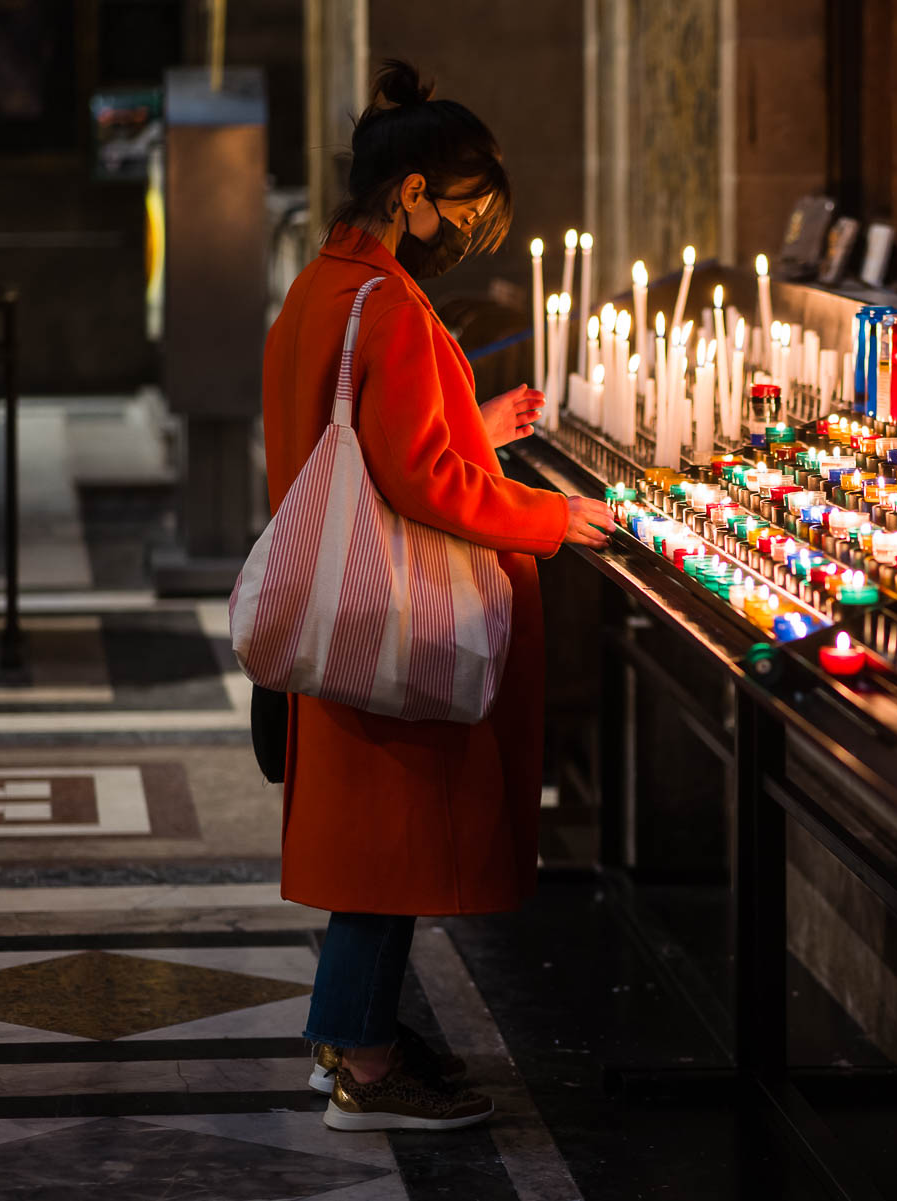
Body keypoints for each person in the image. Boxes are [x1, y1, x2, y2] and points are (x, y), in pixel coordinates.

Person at [260, 59, 613, 1132]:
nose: (464, 231)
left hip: (341, 596)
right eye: (460, 209)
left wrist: (481, 419)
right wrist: (553, 520)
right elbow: (425, 482)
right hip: (394, 617)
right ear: (410, 192)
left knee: (369, 849)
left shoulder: (324, 288)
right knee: (388, 855)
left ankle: (358, 1035)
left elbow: (361, 439)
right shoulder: (394, 307)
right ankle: (365, 1063)